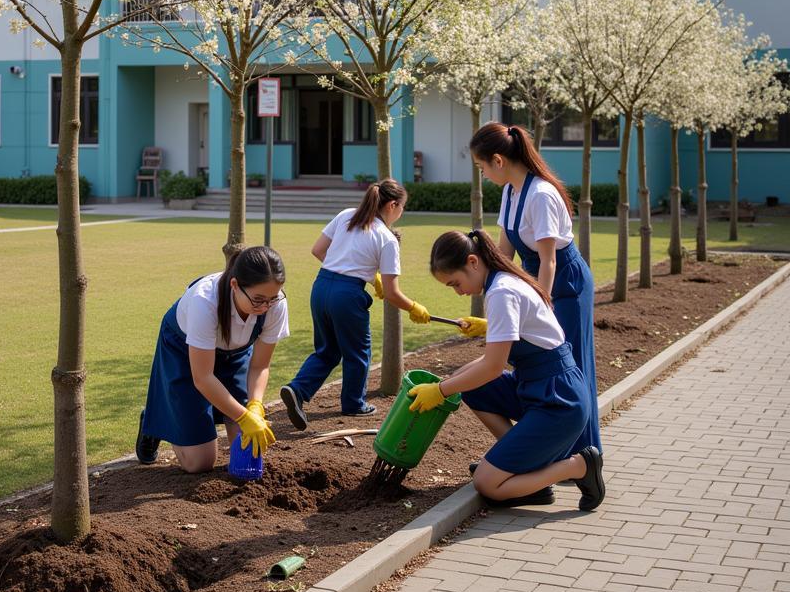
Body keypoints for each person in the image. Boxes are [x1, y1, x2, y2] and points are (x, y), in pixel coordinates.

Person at [407, 229, 604, 511]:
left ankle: (578, 466)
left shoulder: (502, 292)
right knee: (468, 383)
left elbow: (493, 366)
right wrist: (450, 382)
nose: (459, 292)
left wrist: (440, 390)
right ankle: (526, 470)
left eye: (455, 283)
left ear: (473, 262)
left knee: (487, 484)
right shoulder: (504, 281)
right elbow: (489, 363)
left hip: (559, 402)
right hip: (540, 386)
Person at [469, 121, 601, 455]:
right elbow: (504, 254)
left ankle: (584, 456)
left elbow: (549, 260)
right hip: (536, 280)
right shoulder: (510, 192)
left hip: (564, 284)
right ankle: (541, 450)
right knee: (536, 366)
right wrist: (494, 304)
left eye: (482, 166)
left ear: (498, 160)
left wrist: (541, 308)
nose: (483, 173)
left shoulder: (540, 195)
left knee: (570, 366)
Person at [280, 178, 430, 431]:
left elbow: (318, 250)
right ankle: (353, 403)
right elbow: (393, 294)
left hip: (321, 287)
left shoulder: (347, 215)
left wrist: (366, 275)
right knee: (358, 352)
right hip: (348, 296)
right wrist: (414, 307)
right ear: (393, 205)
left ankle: (297, 390)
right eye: (402, 207)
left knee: (327, 350)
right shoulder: (386, 238)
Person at [136, 245, 288, 473]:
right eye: (258, 299)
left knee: (246, 441)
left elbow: (259, 366)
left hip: (234, 354)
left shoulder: (275, 305)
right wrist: (243, 416)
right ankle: (157, 417)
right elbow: (203, 377)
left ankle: (176, 415)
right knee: (199, 463)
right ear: (235, 285)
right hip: (184, 351)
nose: (266, 307)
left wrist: (254, 407)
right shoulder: (204, 302)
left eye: (271, 299)